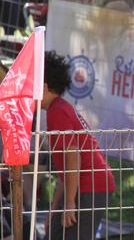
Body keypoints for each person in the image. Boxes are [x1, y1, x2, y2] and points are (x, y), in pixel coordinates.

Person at [42, 51, 115, 240]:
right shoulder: (57, 109)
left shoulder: (57, 112)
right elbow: (65, 171)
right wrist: (56, 208)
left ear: (43, 86)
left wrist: (69, 203)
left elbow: (73, 156)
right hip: (86, 186)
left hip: (90, 187)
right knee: (53, 234)